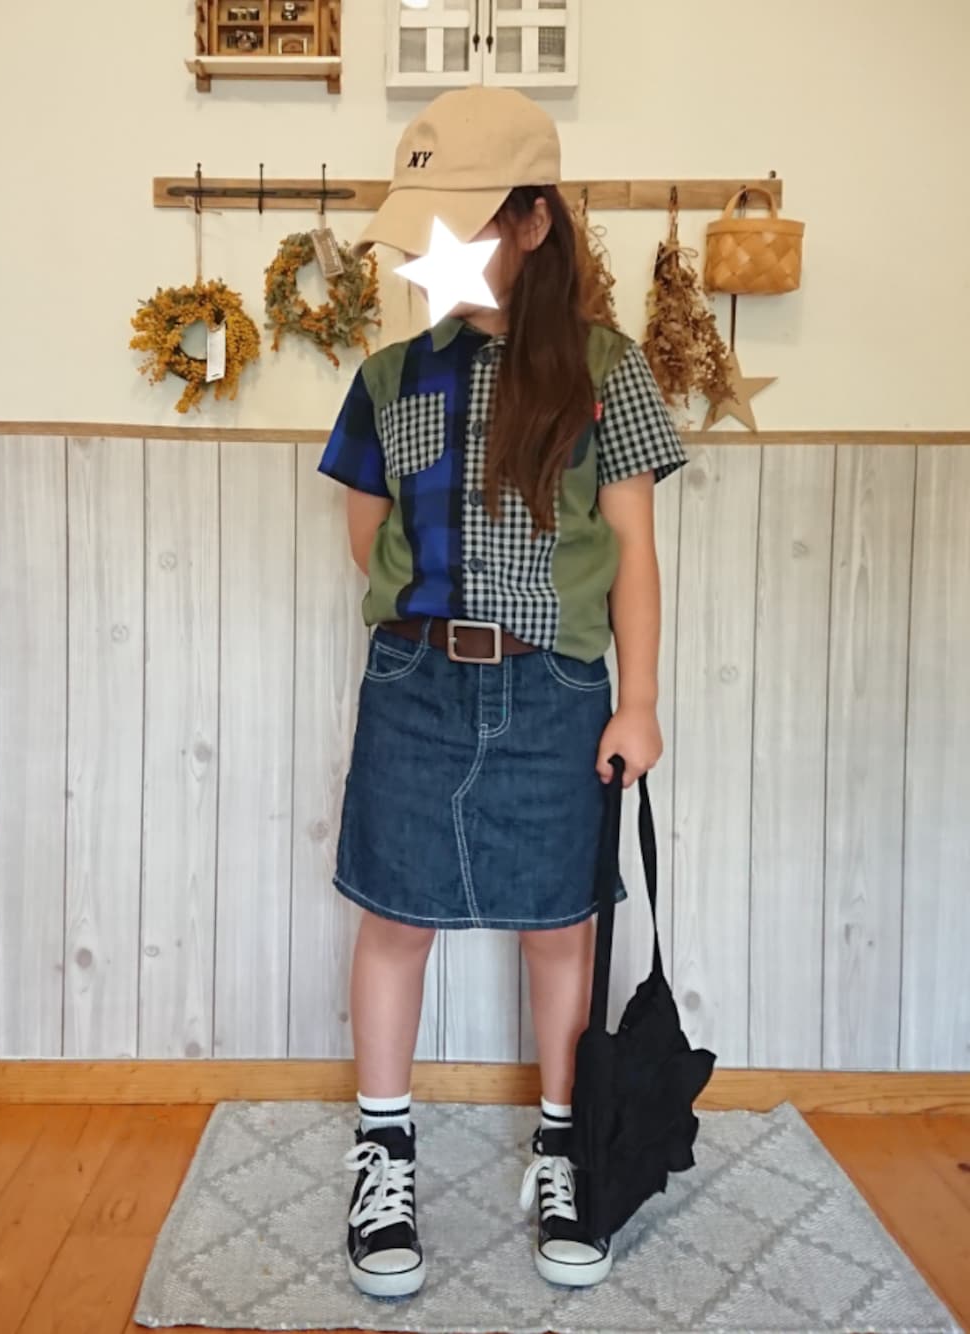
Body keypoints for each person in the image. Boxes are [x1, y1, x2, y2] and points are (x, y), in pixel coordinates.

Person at [317, 85, 688, 1299]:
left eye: (465, 221)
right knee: (395, 913)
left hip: (557, 688)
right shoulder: (386, 378)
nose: (437, 250)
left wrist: (637, 700)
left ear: (534, 221)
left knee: (558, 924)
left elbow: (632, 551)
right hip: (416, 682)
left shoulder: (605, 372)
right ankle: (384, 1151)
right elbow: (368, 537)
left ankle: (562, 1148)